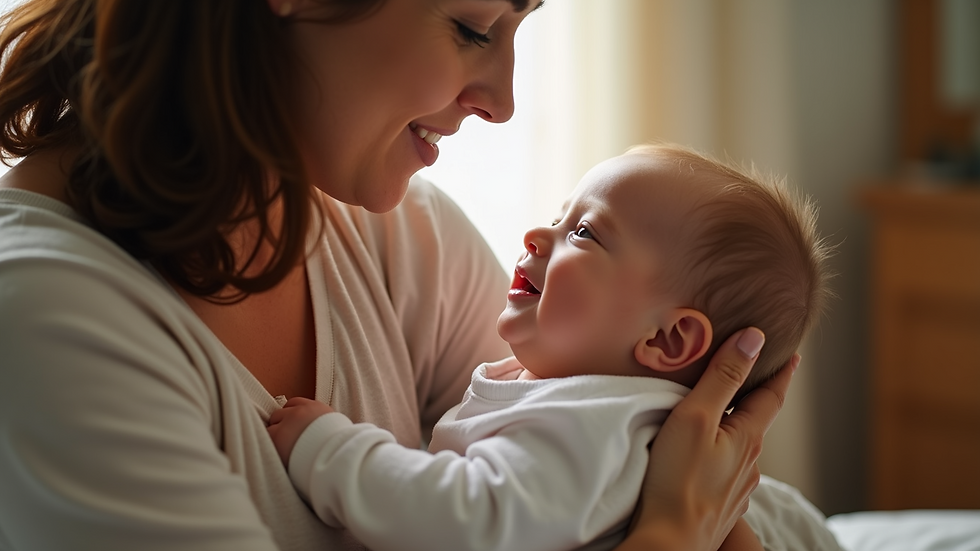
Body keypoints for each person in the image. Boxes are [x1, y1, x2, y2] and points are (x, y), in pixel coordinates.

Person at [0, 1, 794, 550]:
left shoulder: (397, 231)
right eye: (472, 27)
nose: (503, 100)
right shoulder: (51, 318)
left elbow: (572, 461)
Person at [265, 143, 838, 551]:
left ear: (666, 338)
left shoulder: (594, 424)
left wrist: (330, 450)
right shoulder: (579, 403)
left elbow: (470, 520)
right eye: (561, 217)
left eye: (584, 232)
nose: (537, 236)